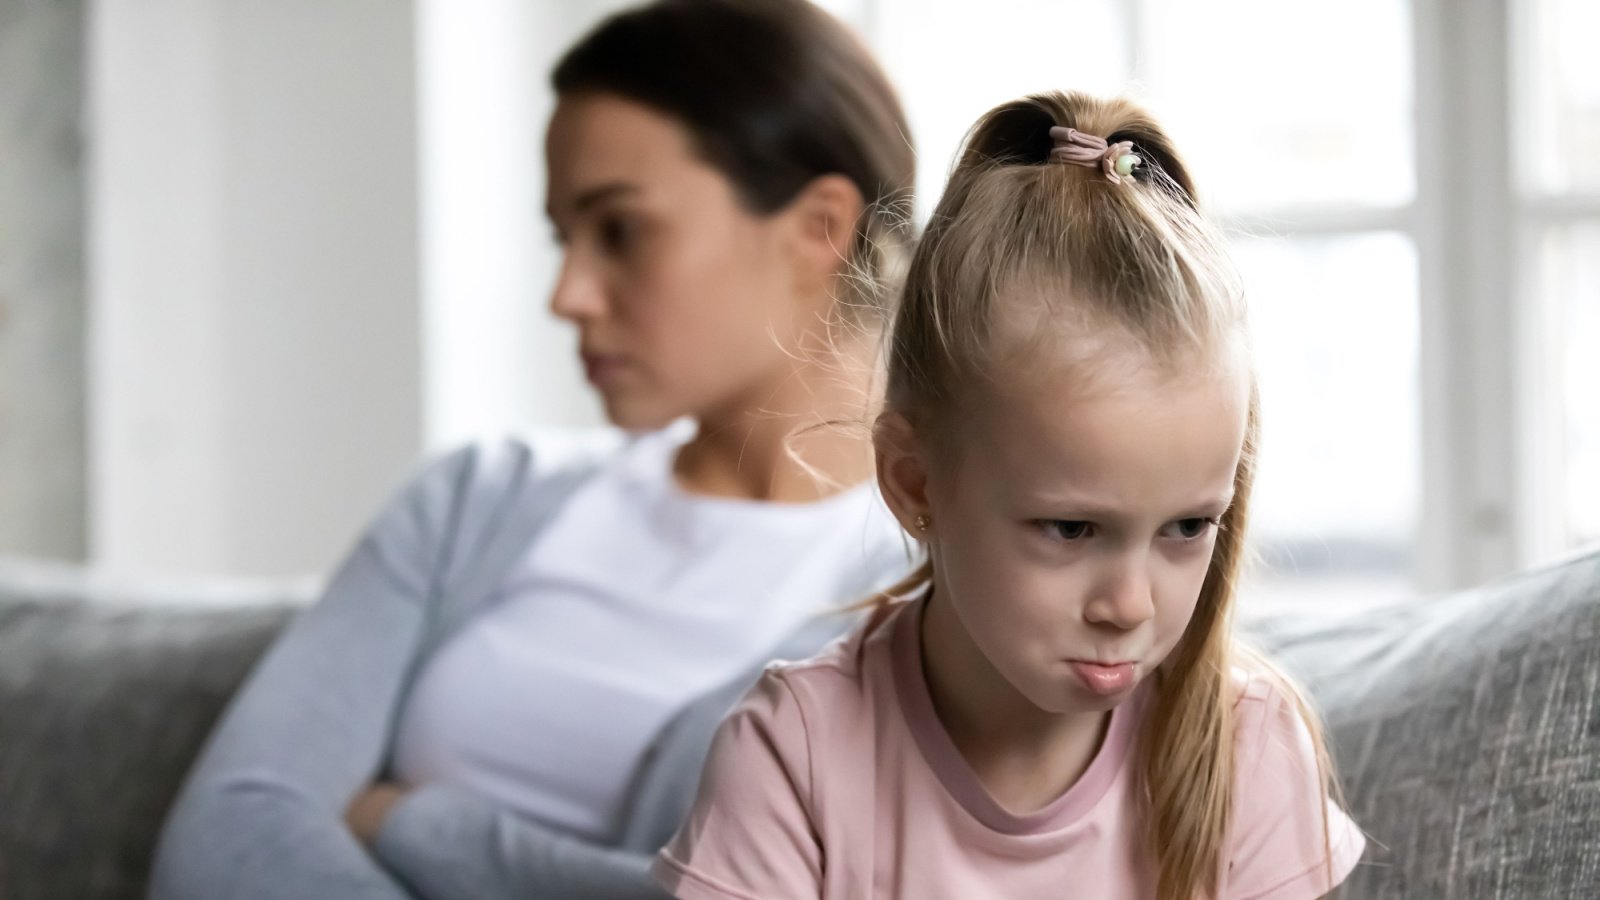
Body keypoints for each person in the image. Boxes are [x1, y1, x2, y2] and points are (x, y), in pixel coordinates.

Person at [149, 2, 916, 898]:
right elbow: (227, 835)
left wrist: (417, 826)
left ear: (819, 227)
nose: (568, 294)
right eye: (563, 238)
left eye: (620, 230)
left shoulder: (941, 600)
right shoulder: (476, 499)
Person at [652, 90, 1367, 900]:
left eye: (1188, 525)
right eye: (1070, 529)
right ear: (915, 483)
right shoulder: (796, 755)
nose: (1129, 606)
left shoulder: (1249, 748)